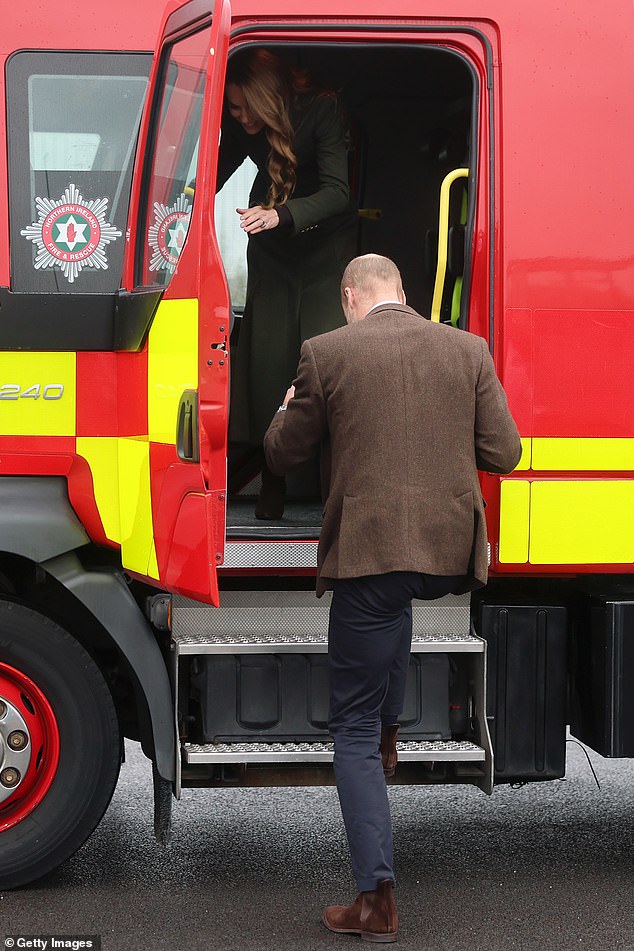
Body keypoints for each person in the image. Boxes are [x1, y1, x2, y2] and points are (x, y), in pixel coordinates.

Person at [263, 254, 522, 942]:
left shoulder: (326, 353)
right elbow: (506, 453)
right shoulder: (467, 348)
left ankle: (375, 901)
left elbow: (281, 455)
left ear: (350, 297)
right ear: (402, 294)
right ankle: (387, 731)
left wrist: (286, 410)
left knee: (346, 723)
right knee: (394, 611)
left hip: (372, 556)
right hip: (441, 556)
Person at [216, 48, 357, 519]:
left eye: (245, 108)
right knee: (267, 360)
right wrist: (179, 195)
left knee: (326, 360)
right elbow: (216, 168)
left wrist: (282, 215)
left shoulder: (322, 108)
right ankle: (270, 485)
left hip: (323, 248)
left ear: (270, 97)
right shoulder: (243, 123)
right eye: (233, 109)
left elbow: (339, 192)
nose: (239, 117)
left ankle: (335, 490)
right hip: (272, 247)